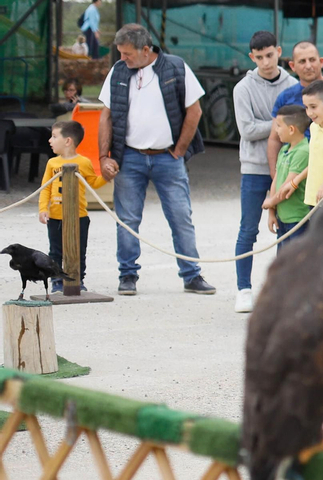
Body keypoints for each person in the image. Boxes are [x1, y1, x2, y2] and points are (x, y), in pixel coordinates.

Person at [97, 24, 215, 297]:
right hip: (130, 157)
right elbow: (106, 115)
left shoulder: (176, 67)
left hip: (167, 158)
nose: (122, 58)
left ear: (146, 50)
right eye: (121, 53)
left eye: (127, 54)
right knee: (127, 219)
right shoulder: (117, 72)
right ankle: (127, 276)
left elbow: (194, 111)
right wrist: (104, 156)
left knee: (180, 217)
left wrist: (180, 150)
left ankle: (192, 275)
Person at [232, 30, 294, 312]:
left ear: (278, 51)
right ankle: (243, 289)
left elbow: (301, 127)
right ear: (251, 57)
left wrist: (269, 125)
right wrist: (282, 125)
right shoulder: (242, 88)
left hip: (289, 165)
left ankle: (281, 289)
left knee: (287, 227)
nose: (266, 62)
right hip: (254, 168)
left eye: (270, 55)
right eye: (259, 57)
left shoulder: (292, 84)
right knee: (248, 228)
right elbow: (246, 130)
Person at [265, 41, 323, 184]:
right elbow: (274, 138)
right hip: (293, 174)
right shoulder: (285, 97)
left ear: (321, 62)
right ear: (292, 66)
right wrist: (275, 175)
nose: (308, 66)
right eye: (302, 61)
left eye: (312, 60)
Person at [37, 119, 109, 294]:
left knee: (79, 250)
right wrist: (42, 208)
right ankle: (56, 280)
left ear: (68, 141)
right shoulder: (52, 163)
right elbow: (45, 187)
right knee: (55, 251)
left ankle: (78, 279)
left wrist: (107, 176)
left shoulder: (84, 162)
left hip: (79, 216)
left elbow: (93, 182)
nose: (50, 140)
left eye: (54, 136)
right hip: (55, 217)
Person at [262, 105, 313, 250]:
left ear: (291, 129)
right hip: (282, 218)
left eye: (278, 126)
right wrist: (272, 211)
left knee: (296, 263)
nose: (276, 130)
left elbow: (288, 184)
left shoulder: (303, 151)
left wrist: (271, 201)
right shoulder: (284, 149)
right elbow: (276, 182)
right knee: (283, 262)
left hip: (297, 219)